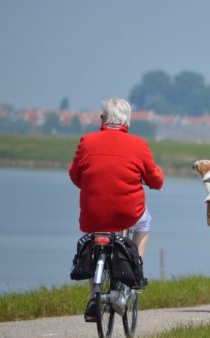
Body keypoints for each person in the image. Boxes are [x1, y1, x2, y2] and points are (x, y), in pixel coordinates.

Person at [69, 98, 164, 322]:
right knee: (145, 222)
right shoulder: (139, 145)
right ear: (126, 121)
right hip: (127, 213)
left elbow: (75, 176)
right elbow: (156, 179)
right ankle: (136, 268)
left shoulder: (87, 141)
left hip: (93, 214)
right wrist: (155, 179)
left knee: (95, 239)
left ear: (103, 119)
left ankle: (94, 296)